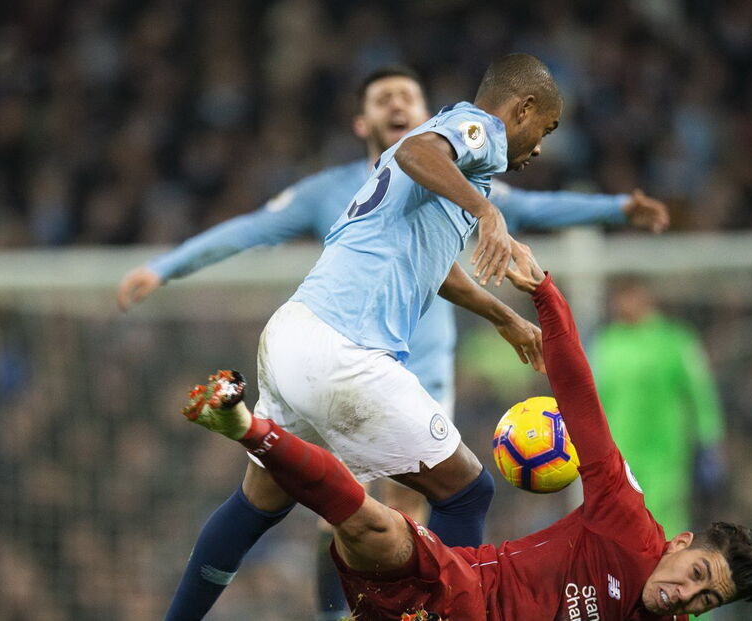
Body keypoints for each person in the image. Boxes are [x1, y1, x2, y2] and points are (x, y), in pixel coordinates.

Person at [118, 64, 669, 619]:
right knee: (465, 491)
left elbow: (434, 260)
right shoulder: (476, 131)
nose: (540, 147)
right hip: (344, 352)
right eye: (545, 129)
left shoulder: (445, 171)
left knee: (260, 501)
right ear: (522, 109)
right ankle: (444, 612)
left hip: (292, 333)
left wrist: (501, 314)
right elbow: (416, 154)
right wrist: (488, 213)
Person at [179, 247, 752, 621]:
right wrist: (544, 293)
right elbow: (581, 401)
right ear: (680, 544)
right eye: (696, 577)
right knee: (373, 525)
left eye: (704, 602)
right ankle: (246, 426)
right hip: (454, 584)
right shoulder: (626, 523)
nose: (684, 598)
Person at [591, 278, 726, 538]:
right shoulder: (606, 344)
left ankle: (668, 574)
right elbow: (592, 399)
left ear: (644, 296)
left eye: (627, 296)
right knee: (619, 523)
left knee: (665, 521)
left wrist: (710, 437)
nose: (621, 305)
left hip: (666, 453)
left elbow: (700, 391)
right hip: (618, 453)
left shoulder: (676, 341)